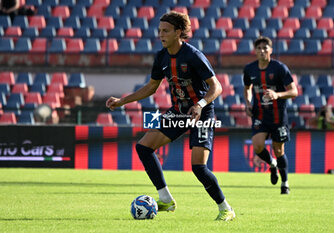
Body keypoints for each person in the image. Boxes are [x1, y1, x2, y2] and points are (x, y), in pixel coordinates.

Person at [106, 11, 235, 221]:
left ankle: (225, 208)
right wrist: (122, 101)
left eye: (165, 31)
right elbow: (151, 87)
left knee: (198, 167)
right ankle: (166, 199)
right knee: (144, 147)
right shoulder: (161, 57)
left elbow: (217, 87)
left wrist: (200, 105)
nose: (161, 35)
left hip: (202, 113)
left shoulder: (193, 56)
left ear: (178, 32)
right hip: (179, 112)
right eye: (159, 31)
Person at [243, 36, 298, 194]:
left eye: (265, 48)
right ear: (255, 51)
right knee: (257, 145)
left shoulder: (279, 68)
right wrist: (248, 102)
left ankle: (285, 183)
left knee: (279, 149)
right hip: (259, 114)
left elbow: (294, 91)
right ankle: (272, 164)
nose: (262, 51)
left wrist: (277, 95)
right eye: (259, 48)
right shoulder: (250, 69)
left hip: (278, 116)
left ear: (270, 50)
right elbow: (247, 88)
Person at [309, 105, 334, 173]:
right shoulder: (320, 120)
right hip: (322, 143)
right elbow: (309, 123)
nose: (324, 113)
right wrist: (318, 116)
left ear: (330, 111)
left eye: (326, 111)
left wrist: (327, 119)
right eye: (323, 111)